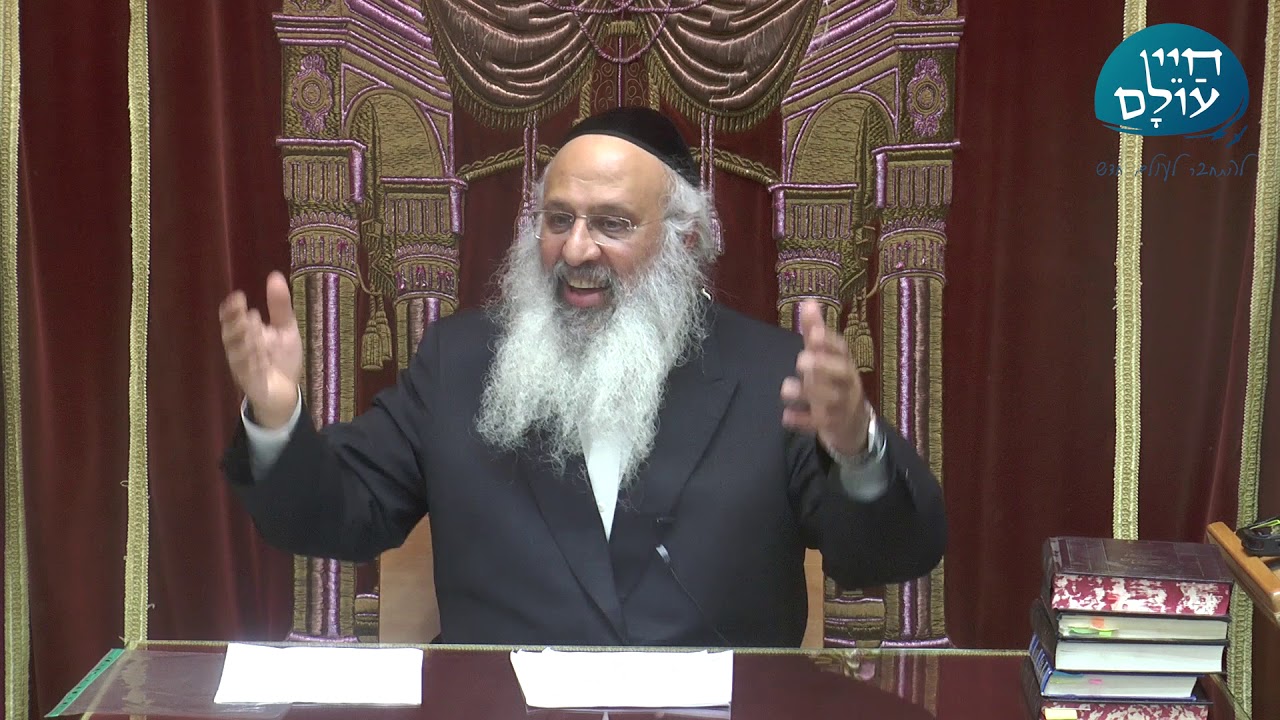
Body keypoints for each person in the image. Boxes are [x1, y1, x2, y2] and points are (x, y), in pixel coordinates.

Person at [219, 106, 946, 647]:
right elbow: (337, 515)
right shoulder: (461, 363)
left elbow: (887, 556)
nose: (575, 250)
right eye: (558, 218)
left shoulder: (772, 374)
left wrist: (859, 454)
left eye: (612, 224)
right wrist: (277, 422)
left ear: (685, 241)